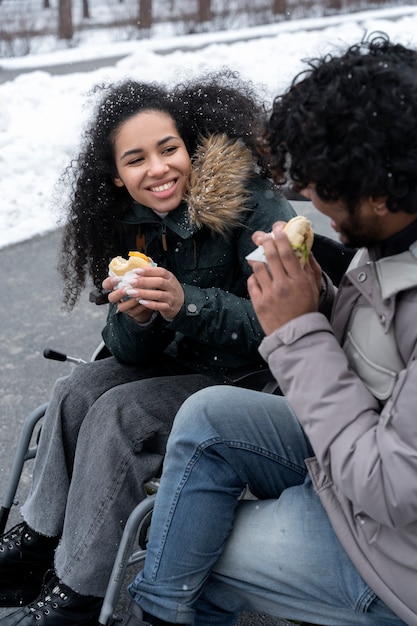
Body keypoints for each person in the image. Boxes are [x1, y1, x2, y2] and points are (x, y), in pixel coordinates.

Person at [110, 33, 417, 626]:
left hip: (395, 545)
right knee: (207, 416)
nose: (303, 197)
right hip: (352, 445)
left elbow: (390, 488)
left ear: (381, 192)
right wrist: (317, 291)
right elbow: (374, 341)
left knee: (190, 549)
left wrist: (297, 328)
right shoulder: (388, 233)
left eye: (324, 185)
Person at [0, 70, 302, 624]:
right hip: (180, 369)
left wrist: (184, 301)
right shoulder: (129, 224)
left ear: (191, 146)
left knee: (120, 411)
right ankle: (39, 544)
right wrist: (135, 319)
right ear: (116, 176)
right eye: (136, 159)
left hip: (250, 381)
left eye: (169, 149)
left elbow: (280, 326)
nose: (158, 169)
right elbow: (128, 354)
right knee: (78, 388)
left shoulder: (251, 204)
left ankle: (81, 589)